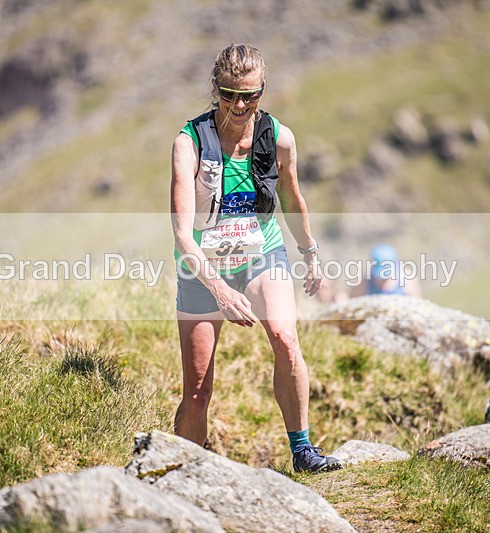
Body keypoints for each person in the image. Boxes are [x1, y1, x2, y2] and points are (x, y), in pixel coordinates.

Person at [170, 43, 341, 474]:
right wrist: (220, 290)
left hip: (262, 255)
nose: (239, 105)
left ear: (262, 90)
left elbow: (291, 199)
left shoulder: (279, 139)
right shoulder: (189, 143)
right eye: (229, 95)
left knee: (285, 338)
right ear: (215, 88)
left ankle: (302, 450)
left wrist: (310, 253)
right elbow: (182, 236)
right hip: (203, 269)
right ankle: (181, 470)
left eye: (250, 95)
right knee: (197, 392)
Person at [350, 243, 422, 298]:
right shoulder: (364, 281)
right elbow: (351, 301)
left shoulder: (407, 278)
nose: (382, 279)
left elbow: (417, 304)